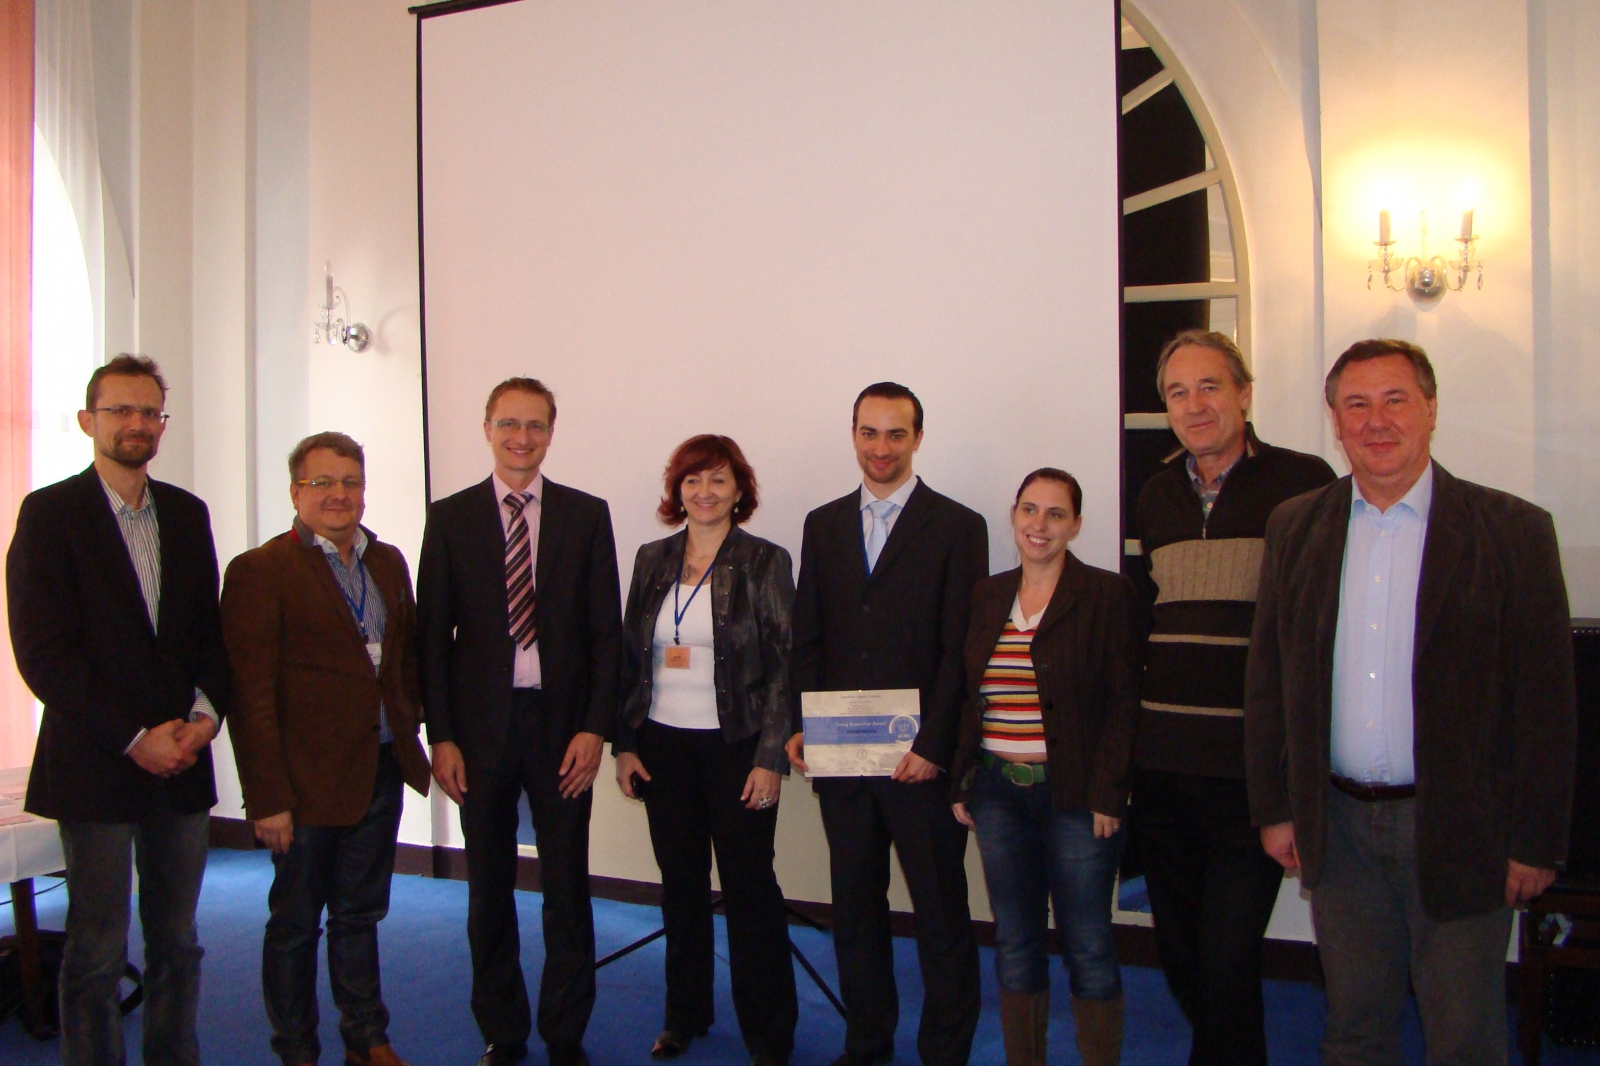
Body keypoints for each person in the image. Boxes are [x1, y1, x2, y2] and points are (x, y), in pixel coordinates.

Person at [1245, 339, 1577, 1066]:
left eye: (1395, 400)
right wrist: (1275, 806)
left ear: (1430, 409)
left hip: (1462, 826)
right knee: (1355, 1030)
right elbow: (1270, 681)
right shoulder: (1296, 526)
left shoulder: (1513, 531)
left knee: (1464, 1036)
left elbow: (1548, 705)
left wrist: (1536, 841)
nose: (1377, 420)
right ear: (1336, 422)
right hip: (1337, 827)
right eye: (1356, 405)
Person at [6, 354, 229, 1066]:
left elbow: (208, 634)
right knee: (97, 950)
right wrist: (134, 738)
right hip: (96, 761)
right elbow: (44, 654)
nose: (136, 423)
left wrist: (205, 719)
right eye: (120, 410)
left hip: (182, 763)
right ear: (87, 421)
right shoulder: (49, 514)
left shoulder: (188, 514)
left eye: (149, 412)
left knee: (178, 943)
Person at [1129, 330, 1334, 1066]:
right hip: (1163, 767)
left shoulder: (1304, 482)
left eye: (1210, 387)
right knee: (1181, 951)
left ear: (1245, 393)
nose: (1195, 406)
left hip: (1251, 772)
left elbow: (1319, 625)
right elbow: (1145, 620)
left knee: (1227, 955)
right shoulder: (1153, 495)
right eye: (1177, 393)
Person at [418, 377, 623, 1066]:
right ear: (487, 429)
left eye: (535, 425)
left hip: (563, 730)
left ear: (551, 433)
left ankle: (565, 1031)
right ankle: (502, 1031)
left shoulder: (586, 515)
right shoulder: (449, 519)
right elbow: (431, 640)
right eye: (509, 423)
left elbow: (605, 635)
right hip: (478, 733)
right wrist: (441, 735)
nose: (521, 437)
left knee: (566, 885)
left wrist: (595, 729)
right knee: (488, 888)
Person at [786, 382, 988, 1066]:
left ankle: (945, 1053)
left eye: (895, 434)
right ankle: (867, 1046)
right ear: (853, 435)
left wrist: (936, 746)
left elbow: (961, 651)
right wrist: (802, 722)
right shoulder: (822, 524)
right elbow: (809, 635)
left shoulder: (958, 526)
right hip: (841, 759)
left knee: (940, 913)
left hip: (919, 764)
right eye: (869, 433)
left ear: (917, 439)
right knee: (855, 911)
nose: (881, 448)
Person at [222, 432, 433, 1066]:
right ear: (296, 492)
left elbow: (403, 659)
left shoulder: (387, 561)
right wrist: (268, 797)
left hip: (380, 768)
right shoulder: (261, 570)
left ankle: (366, 1036)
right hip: (303, 784)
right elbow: (251, 694)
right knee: (294, 924)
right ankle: (296, 1048)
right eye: (322, 482)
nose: (339, 494)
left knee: (360, 915)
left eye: (350, 481)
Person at [613, 434, 798, 1066]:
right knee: (681, 886)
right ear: (677, 490)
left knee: (750, 889)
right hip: (663, 746)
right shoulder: (652, 558)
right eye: (693, 480)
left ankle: (769, 1034)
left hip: (737, 748)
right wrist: (625, 744)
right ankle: (684, 1014)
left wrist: (770, 757)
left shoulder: (764, 561)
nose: (705, 491)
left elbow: (784, 667)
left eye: (719, 479)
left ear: (739, 489)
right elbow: (631, 657)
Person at [950, 468, 1139, 1066]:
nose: (1040, 525)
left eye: (1056, 514)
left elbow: (1124, 702)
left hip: (1079, 800)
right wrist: (962, 779)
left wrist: (1109, 793)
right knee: (1015, 942)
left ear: (1075, 525)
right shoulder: (988, 594)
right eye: (1029, 510)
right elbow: (968, 694)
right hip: (998, 794)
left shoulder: (1106, 594)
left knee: (1088, 944)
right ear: (1014, 516)